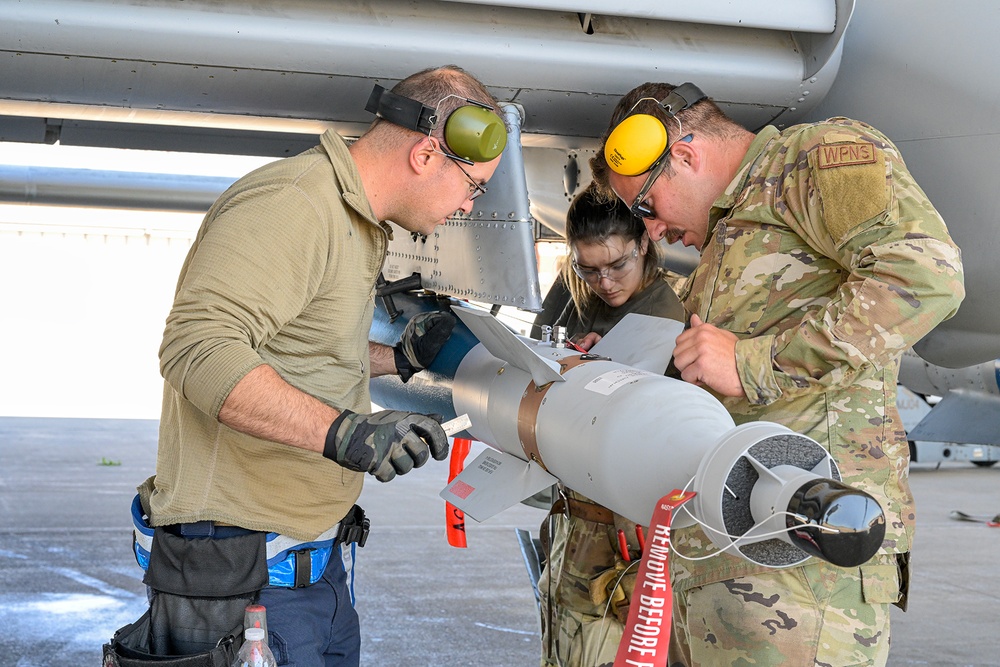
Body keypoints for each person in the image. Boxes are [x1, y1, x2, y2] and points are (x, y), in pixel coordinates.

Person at [135, 65, 506, 666]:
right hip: (242, 582)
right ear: (427, 153)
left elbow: (296, 350)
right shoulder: (294, 205)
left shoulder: (353, 222)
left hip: (312, 572)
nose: (469, 204)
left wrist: (400, 360)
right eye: (475, 185)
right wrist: (346, 433)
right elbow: (197, 349)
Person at [589, 82, 965, 666]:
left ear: (684, 156)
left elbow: (923, 276)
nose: (652, 230)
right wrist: (622, 359)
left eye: (645, 205)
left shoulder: (814, 159)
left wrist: (755, 363)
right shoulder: (729, 234)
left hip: (804, 550)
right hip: (729, 550)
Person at [537, 183, 685, 666]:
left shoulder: (665, 317)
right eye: (589, 268)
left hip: (624, 539)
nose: (605, 281)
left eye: (618, 265)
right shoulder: (575, 292)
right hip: (571, 521)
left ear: (644, 243)